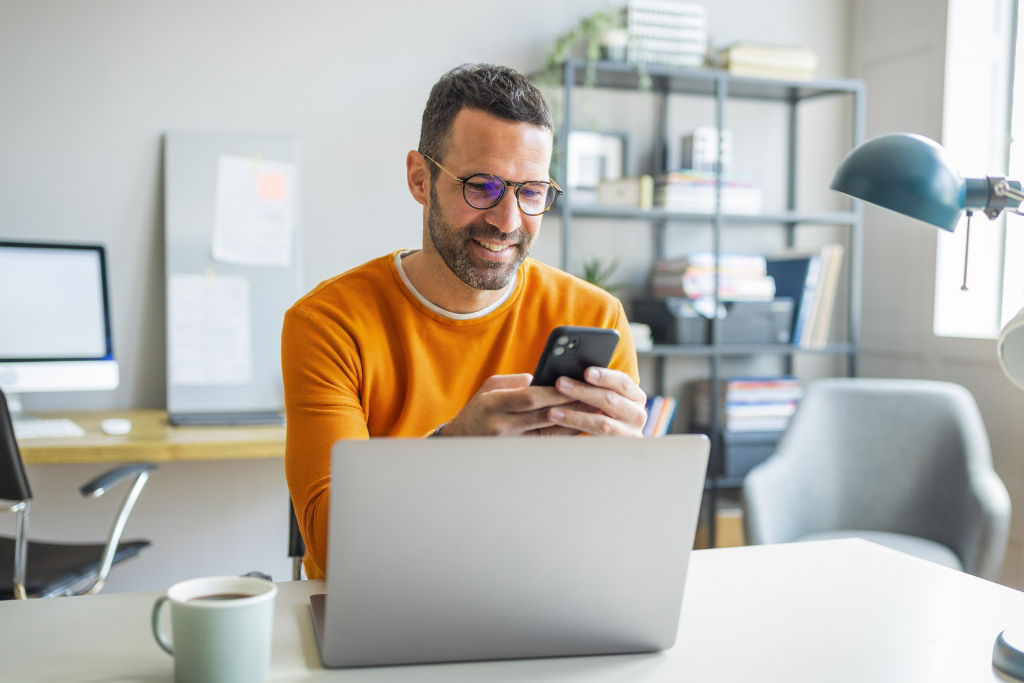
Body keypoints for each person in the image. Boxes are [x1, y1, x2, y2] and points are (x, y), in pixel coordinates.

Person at [283, 63, 647, 578]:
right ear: (419, 179)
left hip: (538, 596)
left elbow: (613, 540)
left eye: (532, 191)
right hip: (385, 601)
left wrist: (634, 472)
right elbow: (331, 544)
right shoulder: (328, 324)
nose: (508, 221)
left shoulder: (595, 316)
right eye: (483, 186)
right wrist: (451, 453)